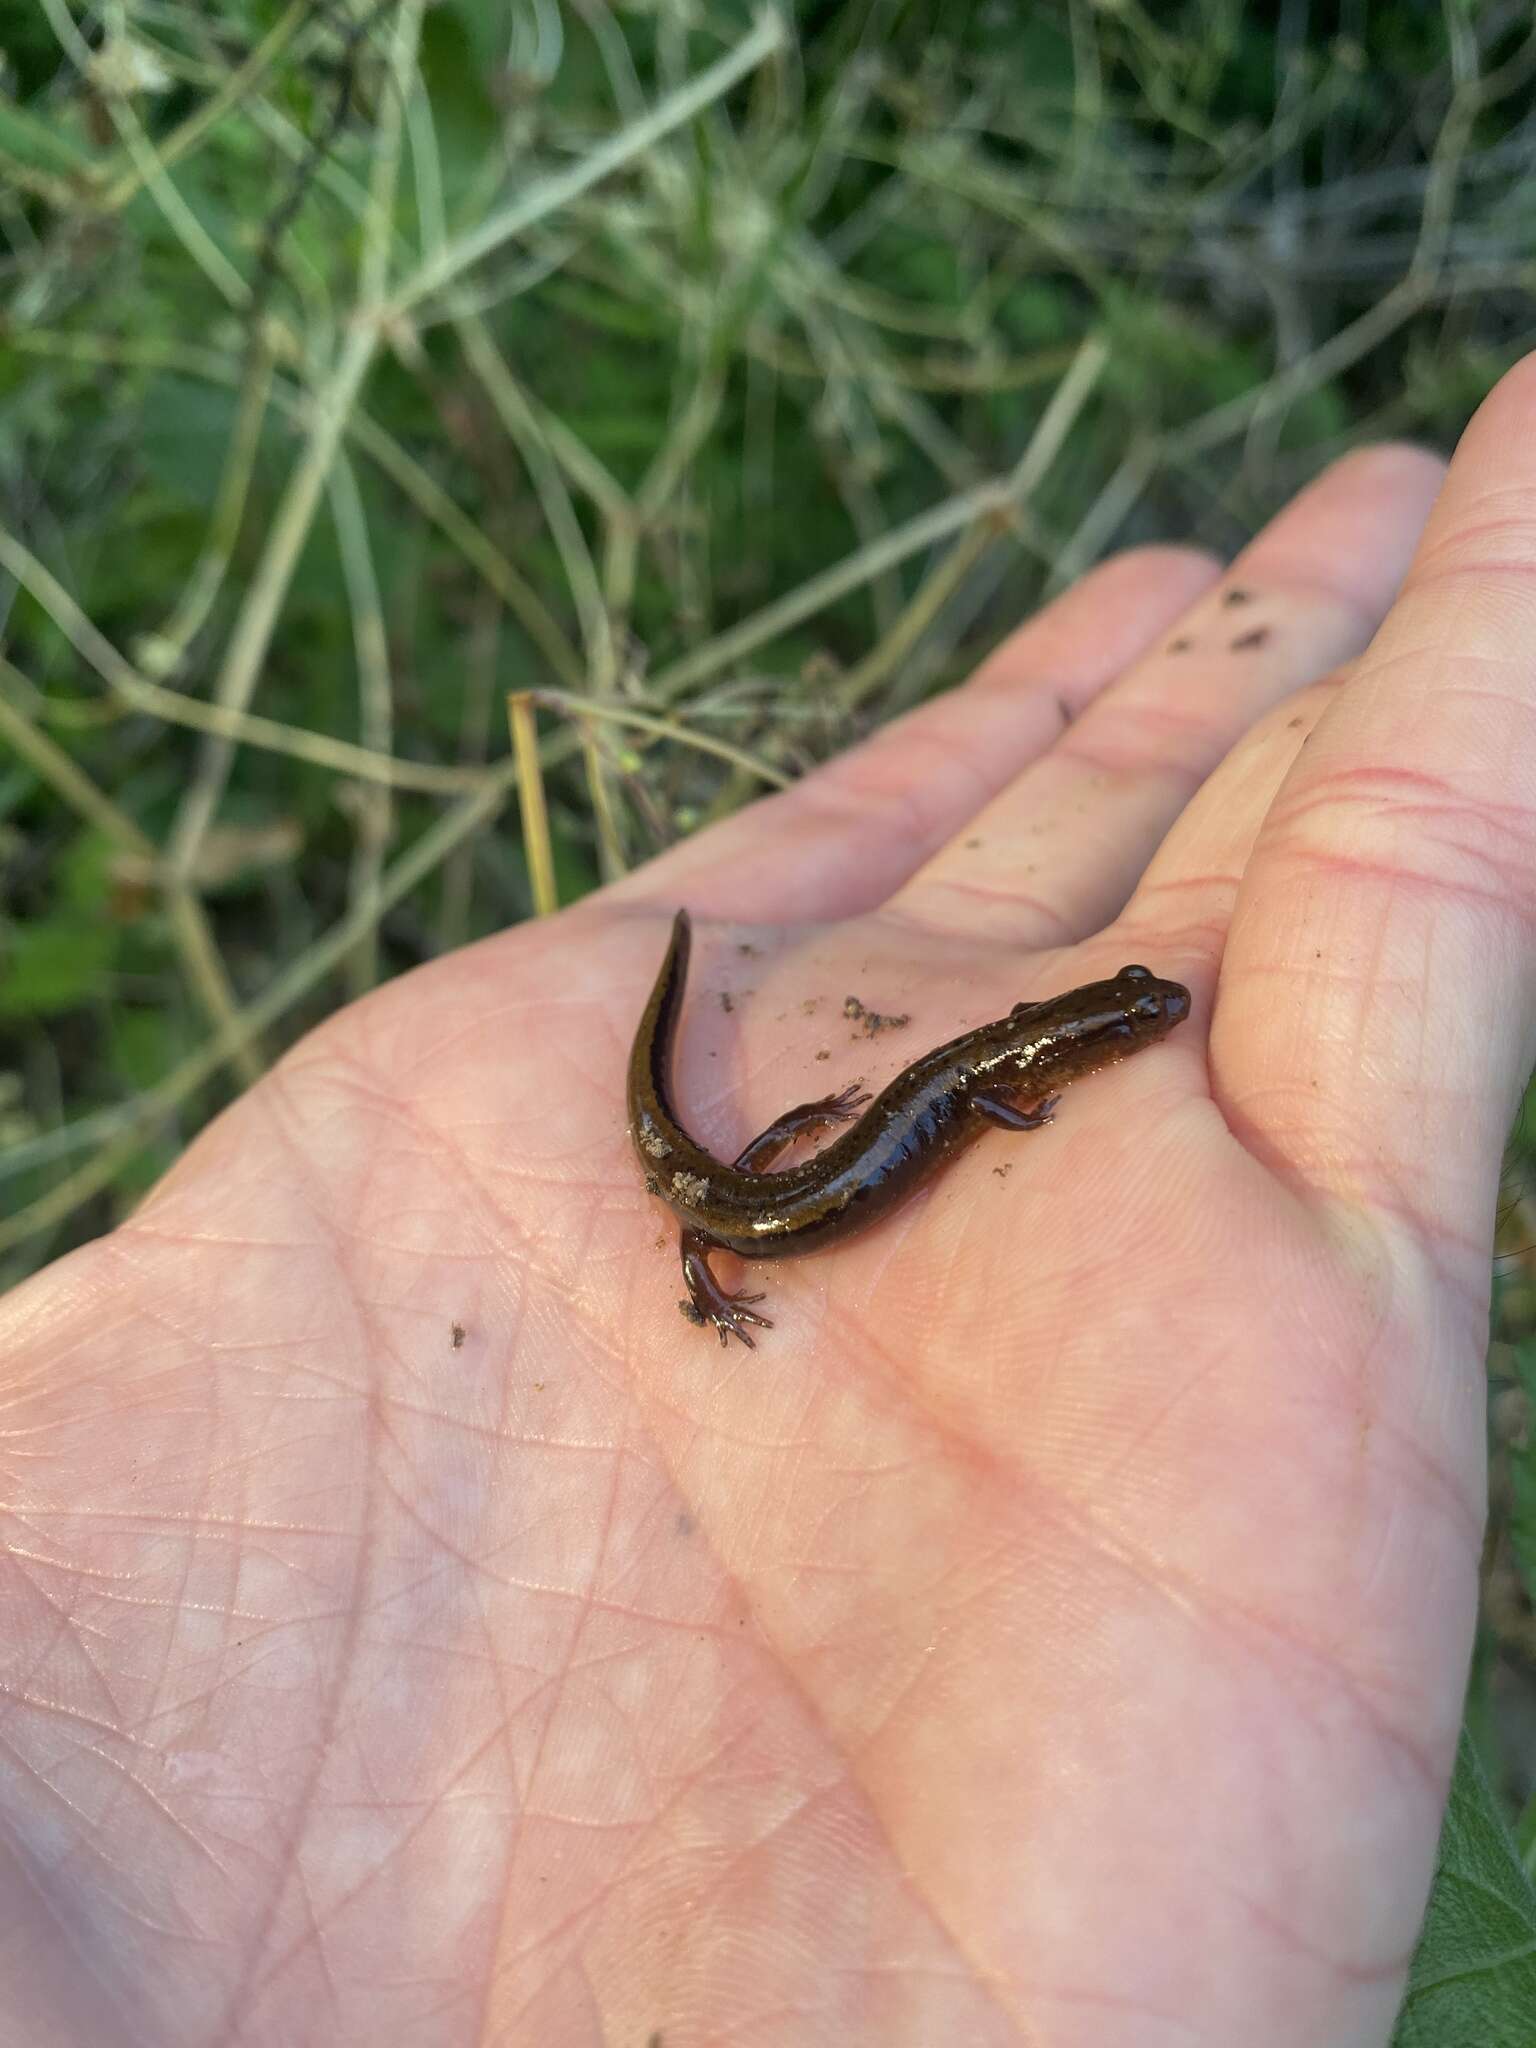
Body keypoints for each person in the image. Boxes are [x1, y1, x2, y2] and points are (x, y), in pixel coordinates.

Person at [4, 350, 1531, 2048]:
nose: (1141, 1031)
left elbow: (988, 1077)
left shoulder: (1006, 1068)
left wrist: (899, 1117)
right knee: (748, 1187)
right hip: (759, 1200)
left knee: (776, 1166)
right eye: (1135, 1018)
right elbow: (952, 1099)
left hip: (775, 1179)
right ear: (1085, 1041)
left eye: (1131, 1024)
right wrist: (734, 1245)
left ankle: (729, 1131)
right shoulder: (895, 1135)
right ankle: (715, 1145)